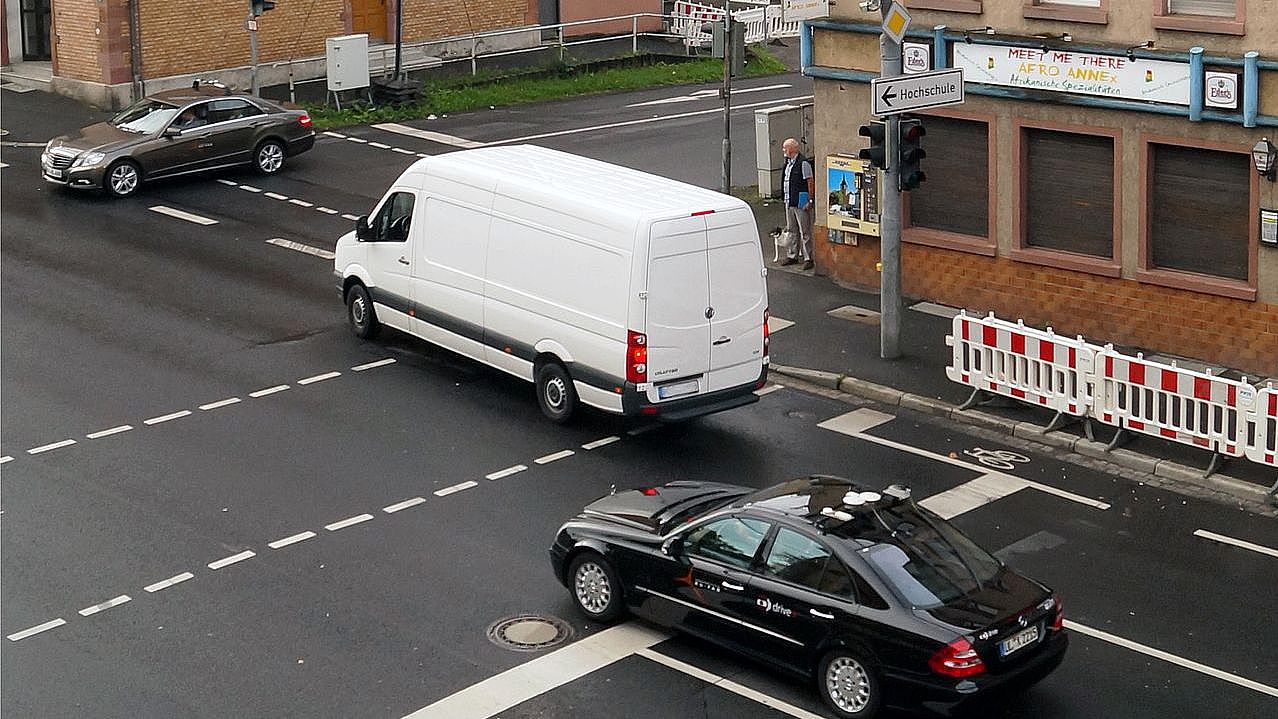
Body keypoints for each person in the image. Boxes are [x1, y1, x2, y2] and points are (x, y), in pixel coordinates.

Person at [780, 138, 815, 270]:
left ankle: (808, 258)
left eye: (785, 148)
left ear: (793, 149)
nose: (784, 150)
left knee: (804, 231)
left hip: (800, 202)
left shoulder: (803, 163)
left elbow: (810, 182)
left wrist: (810, 200)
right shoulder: (787, 163)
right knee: (791, 229)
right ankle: (792, 255)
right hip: (789, 201)